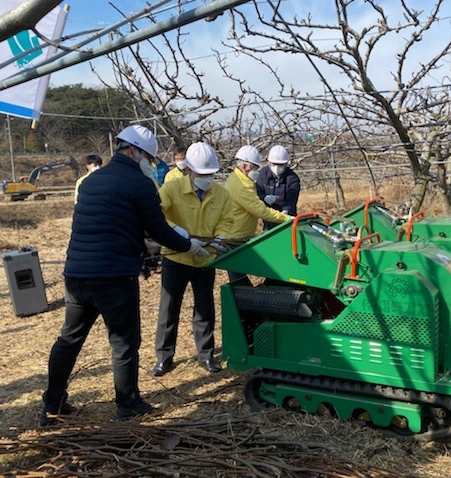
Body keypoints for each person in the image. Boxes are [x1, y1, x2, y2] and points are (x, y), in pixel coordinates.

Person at [40, 125, 210, 426]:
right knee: (123, 342)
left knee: (69, 339)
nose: (150, 164)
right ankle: (127, 404)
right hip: (114, 276)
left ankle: (52, 404)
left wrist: (138, 241)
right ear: (133, 151)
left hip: (77, 272)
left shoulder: (92, 181)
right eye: (149, 157)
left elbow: (108, 223)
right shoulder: (139, 183)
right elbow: (158, 229)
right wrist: (189, 246)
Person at [151, 142, 234, 377]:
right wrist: (178, 234)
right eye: (201, 173)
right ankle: (164, 357)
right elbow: (157, 216)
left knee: (204, 308)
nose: (206, 178)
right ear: (189, 170)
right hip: (176, 257)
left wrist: (221, 238)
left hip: (205, 258)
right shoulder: (171, 188)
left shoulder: (221, 193)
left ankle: (206, 355)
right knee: (169, 309)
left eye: (210, 174)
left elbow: (228, 220)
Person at [225, 145, 292, 281]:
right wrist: (287, 218)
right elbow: (261, 211)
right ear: (245, 166)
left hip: (241, 233)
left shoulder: (242, 180)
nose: (256, 171)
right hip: (235, 236)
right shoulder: (240, 186)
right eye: (255, 168)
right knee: (238, 276)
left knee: (239, 272)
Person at [256, 145, 301, 230]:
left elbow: (291, 200)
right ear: (269, 162)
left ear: (285, 164)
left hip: (287, 218)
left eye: (280, 164)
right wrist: (264, 197)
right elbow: (258, 191)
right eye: (274, 164)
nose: (277, 167)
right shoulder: (262, 174)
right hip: (269, 217)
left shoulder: (292, 178)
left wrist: (285, 212)